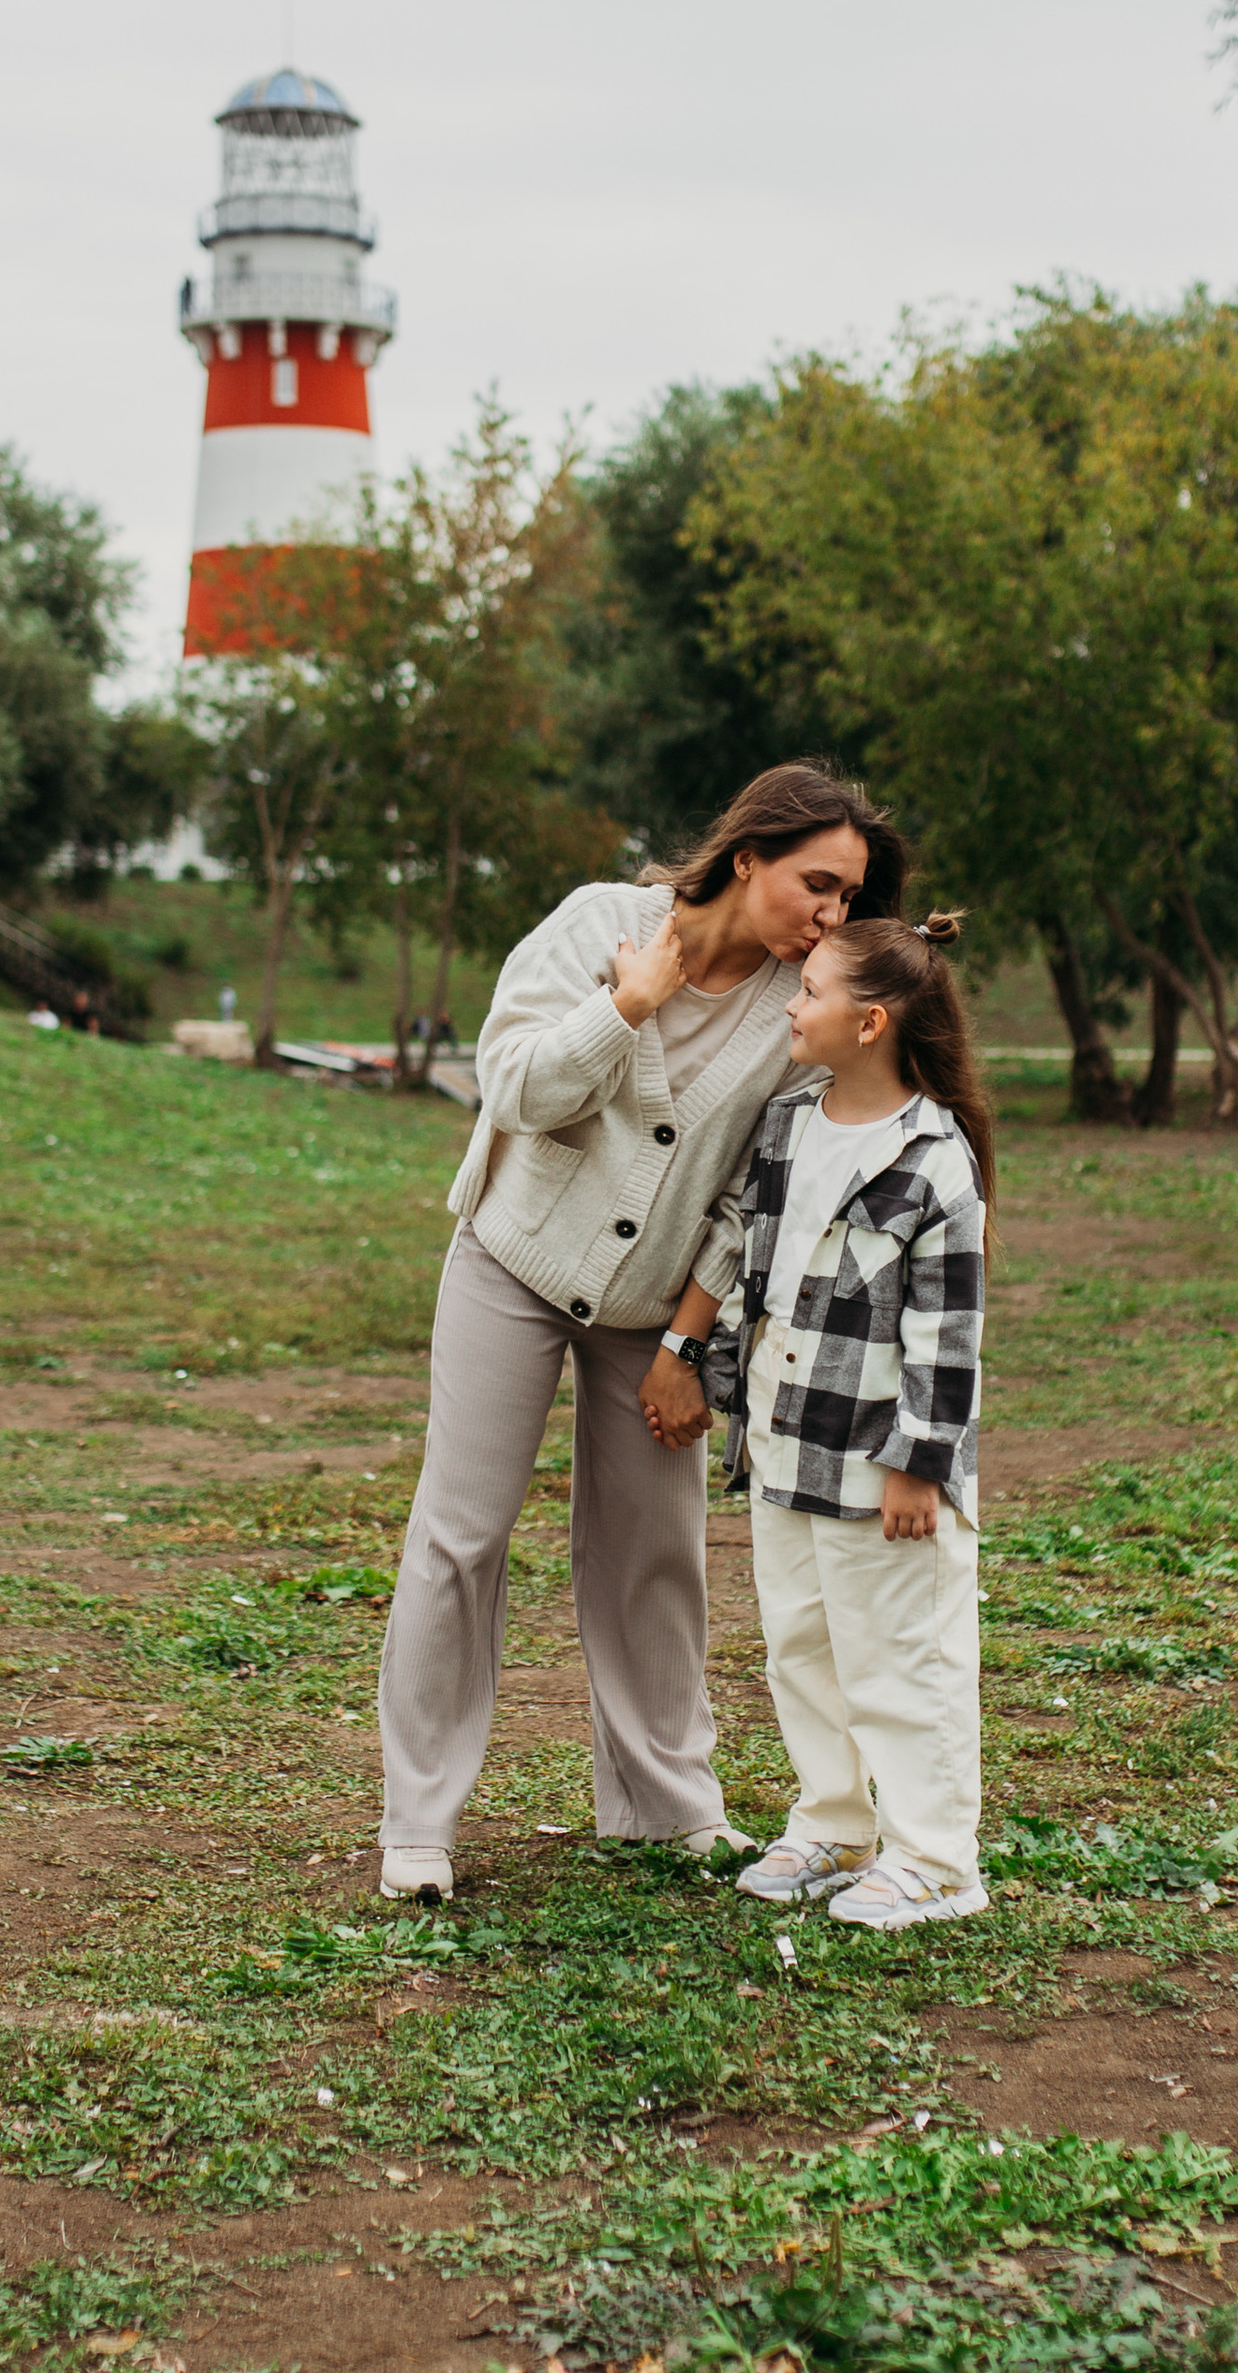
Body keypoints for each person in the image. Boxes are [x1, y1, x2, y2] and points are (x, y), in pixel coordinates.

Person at [374, 763, 911, 1901]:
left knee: (653, 1556)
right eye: (817, 884)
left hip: (651, 1310)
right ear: (749, 853)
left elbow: (749, 1192)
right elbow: (513, 1087)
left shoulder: (794, 1008)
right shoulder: (598, 925)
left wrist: (683, 1347)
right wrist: (624, 1006)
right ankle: (417, 1824)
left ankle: (664, 1812)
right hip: (511, 1264)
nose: (829, 917)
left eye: (847, 900)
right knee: (460, 1538)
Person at [707, 915, 993, 1928]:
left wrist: (920, 1462)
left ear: (868, 1022)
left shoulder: (930, 1159)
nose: (791, 1002)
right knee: (803, 1646)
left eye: (811, 990)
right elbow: (754, 1268)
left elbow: (947, 1330)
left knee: (899, 1658)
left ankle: (937, 1859)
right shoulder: (787, 1123)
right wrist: (716, 1388)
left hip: (883, 1465)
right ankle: (834, 1824)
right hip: (788, 1440)